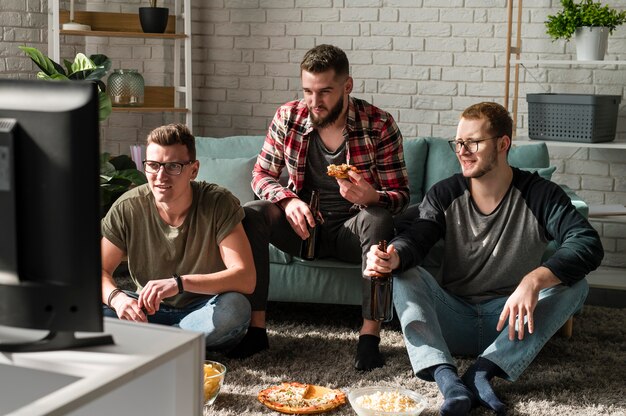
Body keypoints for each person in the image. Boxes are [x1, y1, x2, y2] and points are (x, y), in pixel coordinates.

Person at [365, 102, 604, 415]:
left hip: (511, 324)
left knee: (576, 285)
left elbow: (587, 242)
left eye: (473, 142)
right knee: (404, 273)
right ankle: (446, 378)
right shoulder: (445, 193)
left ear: (503, 144)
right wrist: (394, 256)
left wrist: (534, 280)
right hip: (451, 317)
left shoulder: (540, 194)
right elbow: (417, 235)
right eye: (459, 143)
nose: (462, 151)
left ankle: (481, 372)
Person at [234, 44, 410, 369]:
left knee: (379, 218)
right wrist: (287, 201)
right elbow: (260, 174)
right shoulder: (289, 116)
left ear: (347, 86)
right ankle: (256, 330)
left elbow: (400, 195)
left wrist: (372, 197)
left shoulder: (379, 125)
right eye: (308, 91)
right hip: (304, 230)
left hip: (352, 231)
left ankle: (370, 336)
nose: (315, 102)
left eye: (325, 92)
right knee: (252, 212)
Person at [101, 123, 256, 352]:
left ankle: (152, 343)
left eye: (173, 166)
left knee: (235, 309)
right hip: (148, 311)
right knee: (81, 308)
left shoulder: (218, 203)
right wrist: (118, 299)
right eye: (153, 166)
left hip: (205, 309)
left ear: (193, 170)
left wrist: (179, 284)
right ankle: (176, 344)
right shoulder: (128, 207)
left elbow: (245, 278)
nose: (160, 176)